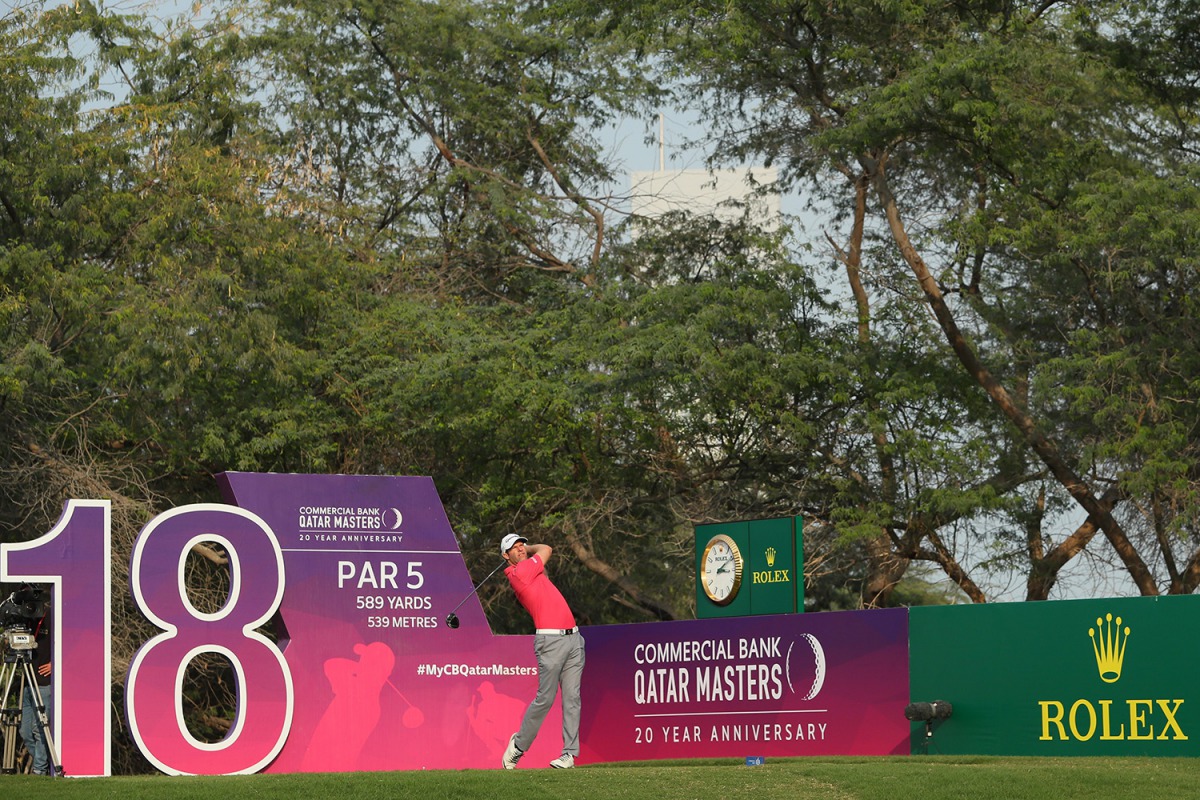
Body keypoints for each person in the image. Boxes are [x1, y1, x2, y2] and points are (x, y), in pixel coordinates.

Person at [499, 533, 585, 770]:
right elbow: (546, 548)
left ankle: (568, 754)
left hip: (574, 639)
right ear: (506, 557)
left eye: (521, 545)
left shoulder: (529, 567)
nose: (521, 550)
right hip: (550, 642)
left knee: (572, 699)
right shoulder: (519, 574)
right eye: (514, 549)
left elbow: (543, 550)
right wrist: (530, 548)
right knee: (545, 699)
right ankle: (518, 745)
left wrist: (525, 548)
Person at [18, 591, 53, 776]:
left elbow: (68, 643)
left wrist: (55, 664)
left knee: (40, 730)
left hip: (44, 683)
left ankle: (40, 771)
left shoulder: (52, 618)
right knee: (25, 731)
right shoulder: (26, 621)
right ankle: (43, 764)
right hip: (27, 681)